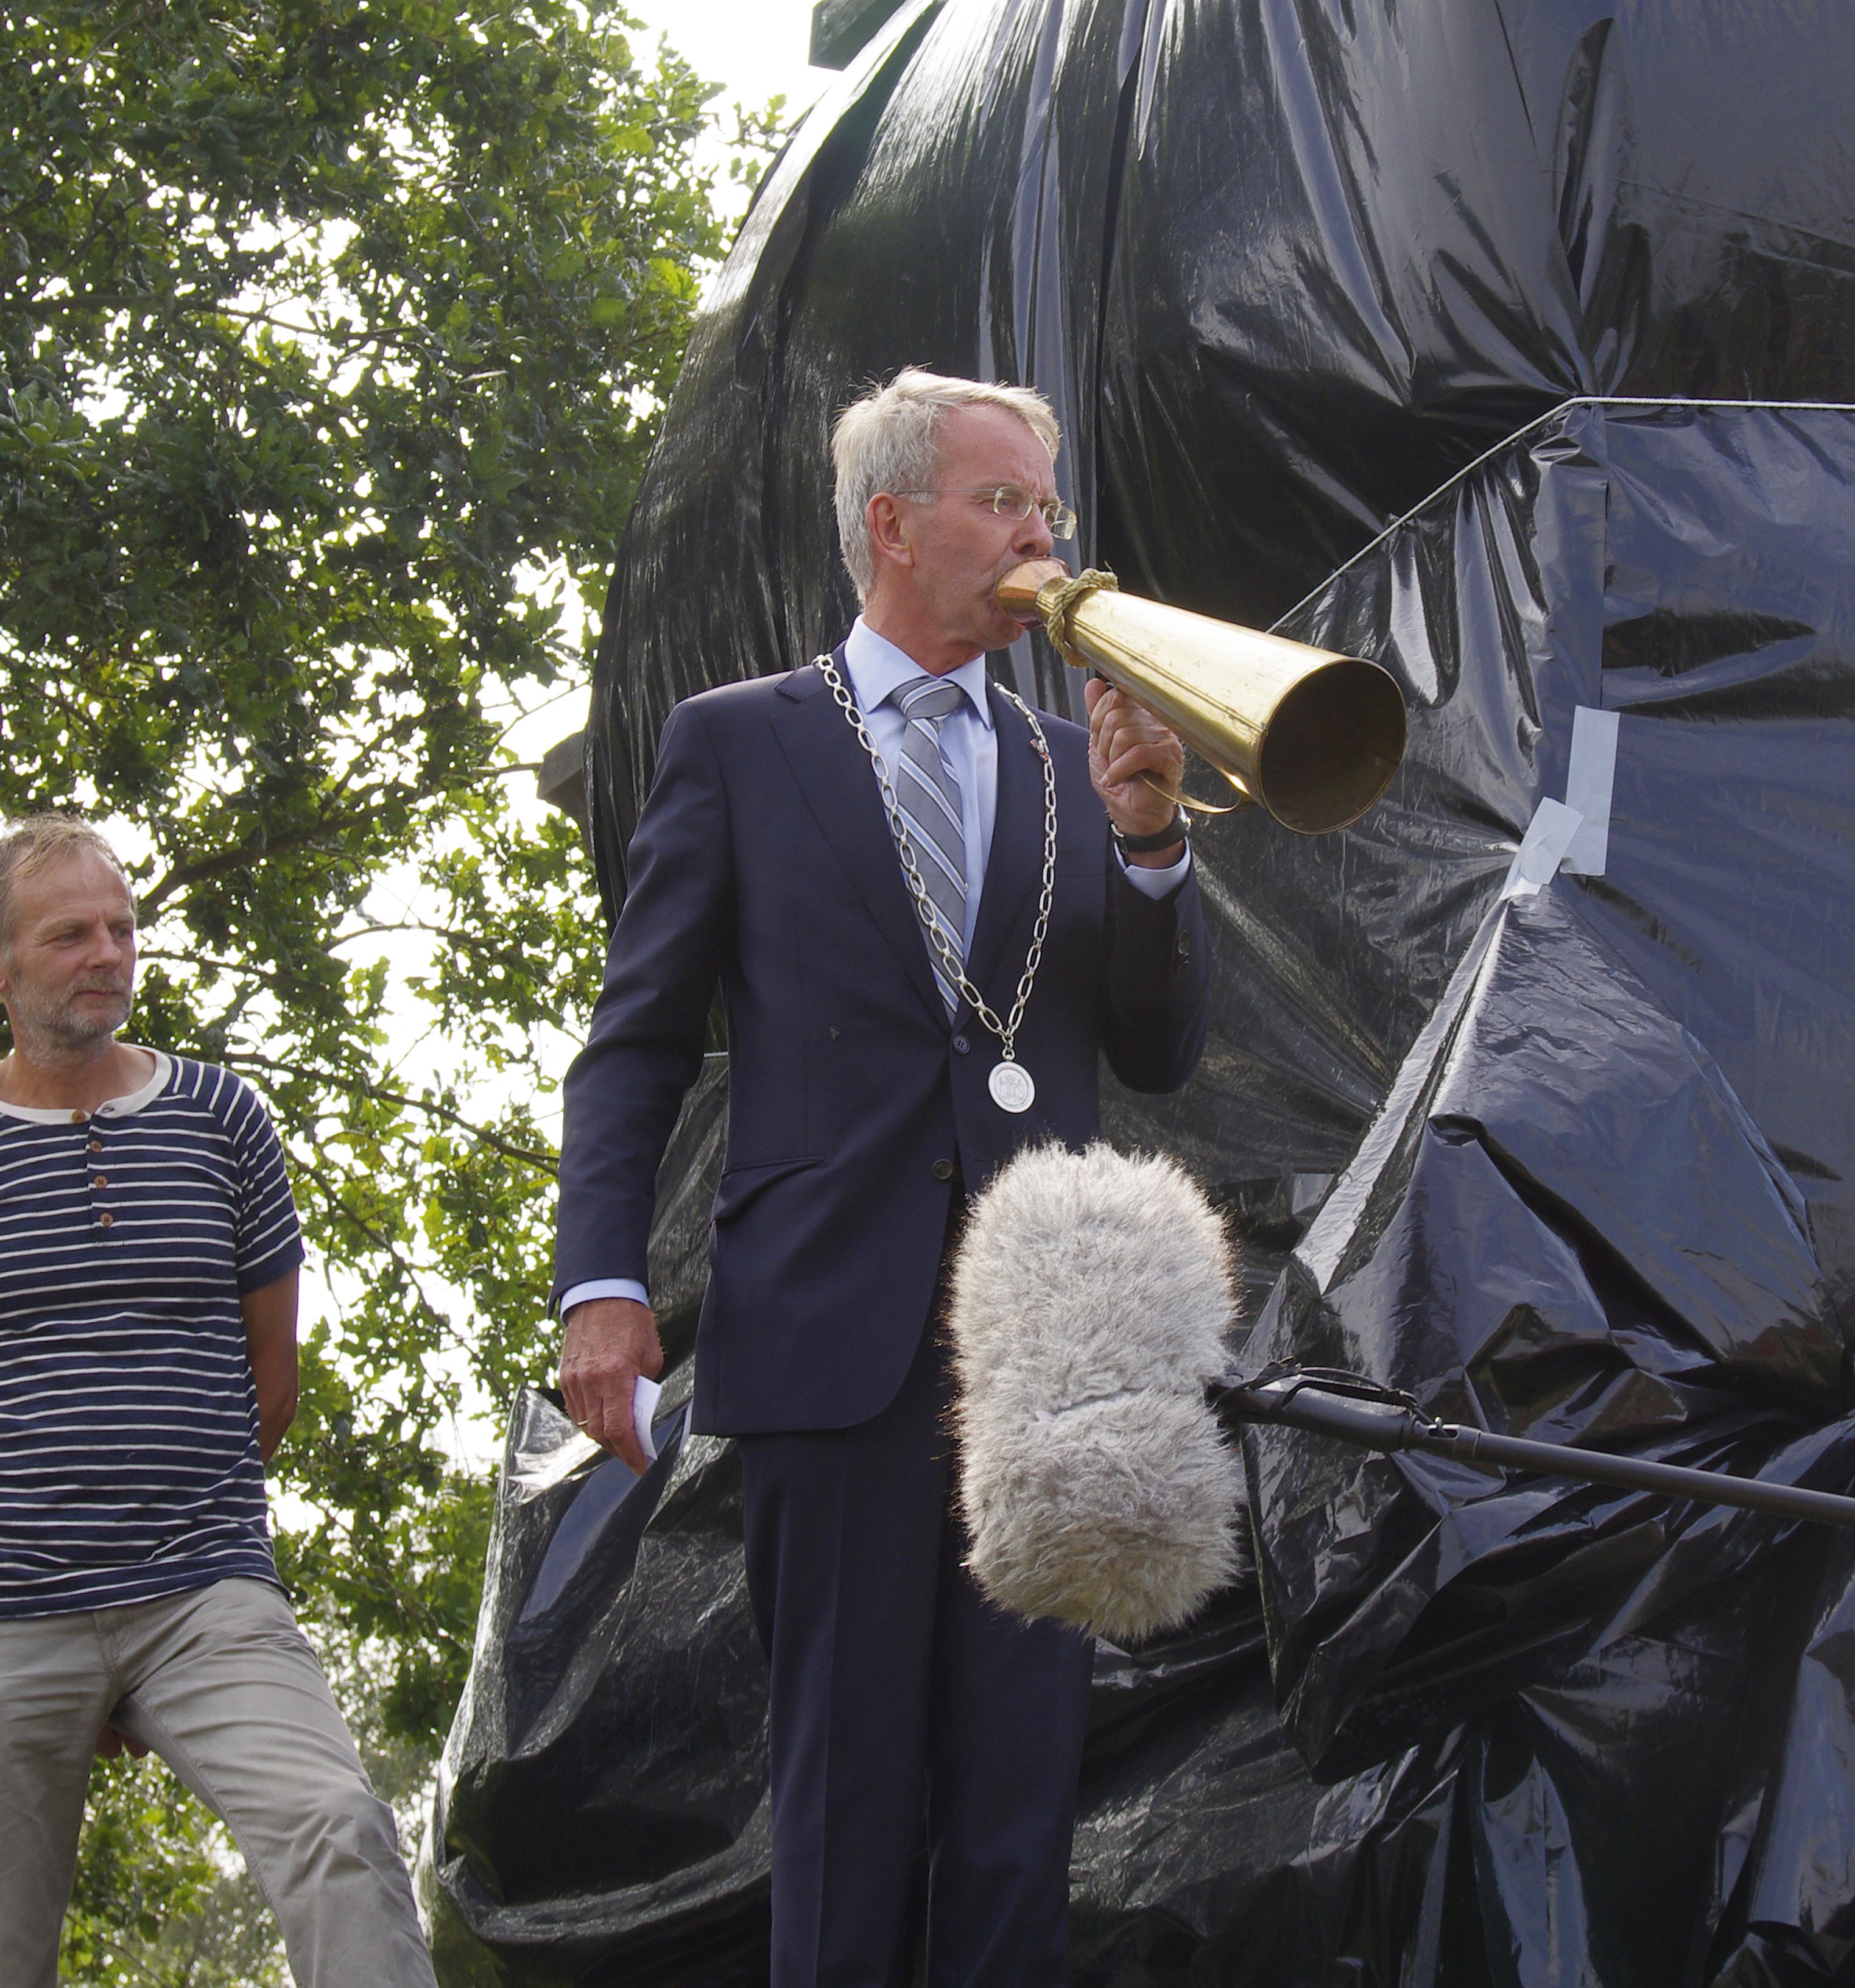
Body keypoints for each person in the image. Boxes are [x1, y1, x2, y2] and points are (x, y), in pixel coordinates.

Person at [549, 368, 1212, 1985]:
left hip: (1038, 1367)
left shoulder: (1077, 762)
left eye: (1048, 505)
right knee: (843, 1806)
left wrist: (1150, 848)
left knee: (1017, 1815)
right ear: (895, 525)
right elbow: (634, 1047)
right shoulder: (735, 745)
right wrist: (604, 1285)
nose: (1044, 537)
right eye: (1007, 504)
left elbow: (1161, 1050)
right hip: (827, 1337)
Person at [0, 816, 437, 1988]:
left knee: (342, 1830)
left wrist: (171, 1546)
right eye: (70, 934)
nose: (108, 954)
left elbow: (269, 1381)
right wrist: (24, 1575)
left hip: (203, 1593)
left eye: (121, 928)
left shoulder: (224, 1121)